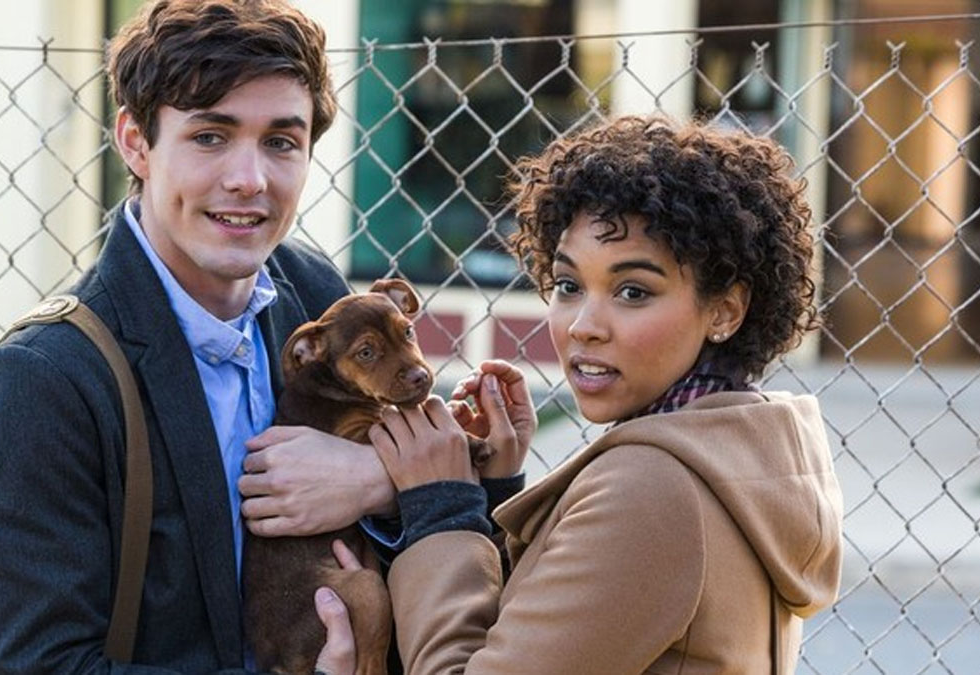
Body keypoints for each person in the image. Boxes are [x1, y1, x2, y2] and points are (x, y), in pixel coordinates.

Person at [0, 1, 384, 671]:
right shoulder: (43, 380)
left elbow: (448, 512)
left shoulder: (315, 301)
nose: (249, 180)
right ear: (135, 142)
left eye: (281, 141)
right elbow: (34, 664)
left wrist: (376, 478)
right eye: (211, 136)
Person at [333, 115, 844, 674]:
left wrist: (440, 507)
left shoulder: (651, 487)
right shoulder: (738, 455)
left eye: (632, 291)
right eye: (569, 286)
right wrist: (491, 489)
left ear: (724, 310)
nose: (583, 326)